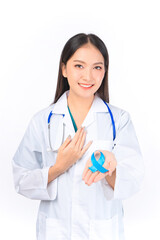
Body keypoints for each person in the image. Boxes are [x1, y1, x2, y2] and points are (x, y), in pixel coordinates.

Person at [12, 33, 144, 240]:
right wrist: (59, 167)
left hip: (103, 232)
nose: (88, 76)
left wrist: (110, 169)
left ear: (104, 72)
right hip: (56, 232)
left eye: (97, 67)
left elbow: (133, 181)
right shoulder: (42, 120)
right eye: (79, 66)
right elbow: (21, 179)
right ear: (64, 69)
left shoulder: (119, 120)